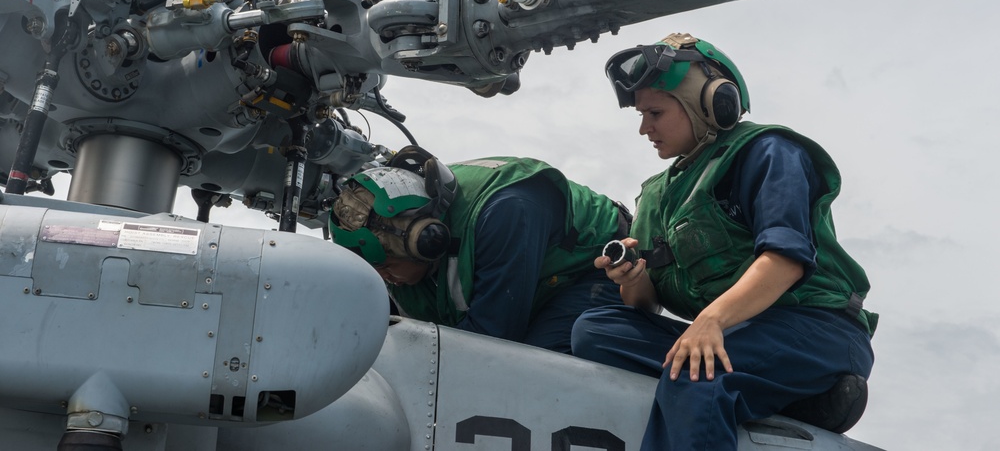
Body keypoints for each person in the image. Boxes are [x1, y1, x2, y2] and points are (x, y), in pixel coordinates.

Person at [570, 33, 877, 450]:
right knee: (594, 331)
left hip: (817, 328)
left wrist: (711, 321)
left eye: (655, 112)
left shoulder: (767, 151)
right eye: (641, 115)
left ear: (712, 103)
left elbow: (785, 261)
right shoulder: (657, 194)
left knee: (696, 373)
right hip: (736, 333)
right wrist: (632, 279)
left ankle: (751, 393)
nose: (644, 128)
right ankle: (786, 397)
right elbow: (646, 305)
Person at [329, 145, 629, 354]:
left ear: (428, 240)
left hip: (602, 268)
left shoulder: (506, 213)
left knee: (535, 363)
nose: (382, 277)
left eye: (385, 266)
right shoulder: (412, 252)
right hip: (534, 272)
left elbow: (490, 340)